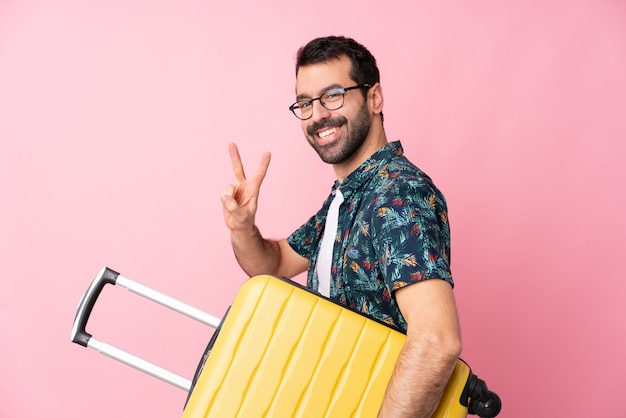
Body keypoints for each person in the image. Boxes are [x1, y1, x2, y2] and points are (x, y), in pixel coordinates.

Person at [220, 36, 462, 418]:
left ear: (375, 98)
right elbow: (273, 264)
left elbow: (437, 340)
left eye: (333, 95)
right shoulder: (345, 198)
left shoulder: (398, 194)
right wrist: (242, 228)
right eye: (305, 103)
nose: (317, 115)